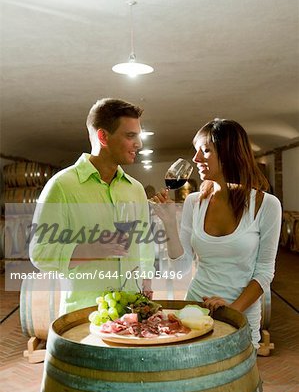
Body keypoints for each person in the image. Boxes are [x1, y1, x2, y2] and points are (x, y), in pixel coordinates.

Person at [151, 118, 282, 347]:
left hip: (240, 315)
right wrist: (170, 223)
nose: (196, 159)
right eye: (196, 151)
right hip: (194, 311)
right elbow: (182, 266)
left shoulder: (266, 205)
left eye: (205, 151)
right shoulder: (195, 202)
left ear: (230, 153)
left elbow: (264, 273)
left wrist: (232, 311)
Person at [29, 98, 155, 314]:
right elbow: (39, 253)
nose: (139, 144)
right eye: (130, 135)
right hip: (85, 315)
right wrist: (89, 249)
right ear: (103, 136)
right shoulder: (61, 186)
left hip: (133, 310)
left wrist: (146, 279)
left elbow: (144, 243)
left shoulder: (135, 189)